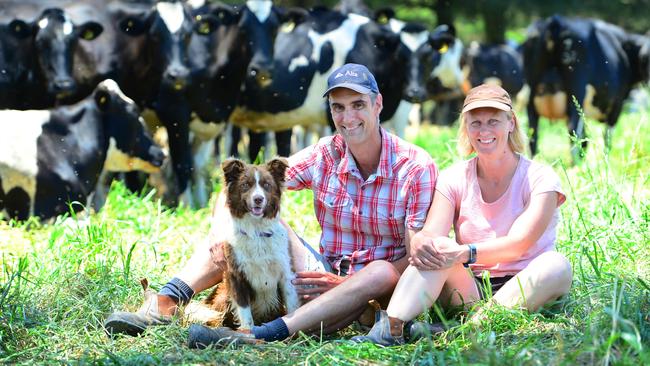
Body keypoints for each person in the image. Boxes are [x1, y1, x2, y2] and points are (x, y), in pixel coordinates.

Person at [103, 63, 438, 346]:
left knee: (379, 270)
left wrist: (352, 284)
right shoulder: (325, 152)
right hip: (320, 272)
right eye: (338, 107)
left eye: (358, 104)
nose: (347, 117)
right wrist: (223, 234)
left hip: (378, 288)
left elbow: (416, 256)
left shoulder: (415, 166)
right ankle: (167, 301)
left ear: (378, 104)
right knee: (251, 222)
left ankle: (263, 333)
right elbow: (240, 187)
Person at [352, 84, 573, 346]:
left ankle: (461, 331)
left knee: (557, 265)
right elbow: (433, 233)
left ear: (511, 123)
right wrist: (423, 241)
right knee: (440, 246)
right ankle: (390, 329)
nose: (484, 131)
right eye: (475, 122)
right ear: (466, 127)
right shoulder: (454, 178)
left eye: (493, 121)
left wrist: (463, 253)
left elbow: (519, 244)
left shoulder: (540, 178)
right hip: (470, 289)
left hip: (527, 285)